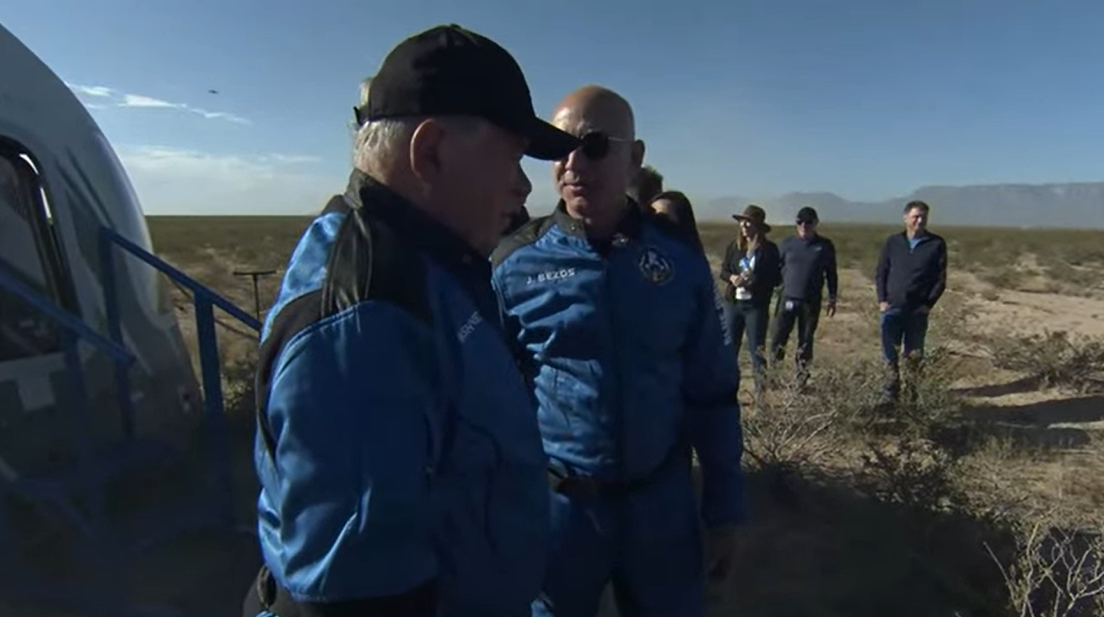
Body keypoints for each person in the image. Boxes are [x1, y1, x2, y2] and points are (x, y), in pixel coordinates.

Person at [244, 24, 580, 617]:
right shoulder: (366, 324)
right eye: (510, 158)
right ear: (430, 154)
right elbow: (359, 597)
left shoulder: (429, 266)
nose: (524, 186)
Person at [491, 85, 745, 617]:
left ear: (635, 156)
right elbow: (483, 402)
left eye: (594, 145)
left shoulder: (678, 261)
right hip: (561, 511)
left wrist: (724, 511)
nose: (572, 164)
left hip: (662, 507)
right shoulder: (515, 265)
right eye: (557, 149)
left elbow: (713, 392)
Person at [874, 199, 948, 403]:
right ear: (905, 218)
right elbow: (881, 272)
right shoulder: (892, 242)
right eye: (916, 216)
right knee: (890, 354)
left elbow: (940, 279)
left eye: (924, 216)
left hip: (917, 311)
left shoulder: (936, 244)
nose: (920, 220)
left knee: (914, 356)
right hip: (892, 308)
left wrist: (928, 304)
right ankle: (890, 395)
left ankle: (913, 396)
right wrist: (882, 300)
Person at [768, 206, 838, 384]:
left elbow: (831, 273)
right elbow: (776, 269)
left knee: (805, 340)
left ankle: (801, 378)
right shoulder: (787, 244)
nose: (804, 226)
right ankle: (774, 375)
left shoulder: (824, 246)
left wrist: (832, 298)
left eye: (808, 222)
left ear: (816, 223)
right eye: (800, 222)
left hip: (811, 301)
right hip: (787, 298)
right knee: (778, 337)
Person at [719, 204, 781, 394]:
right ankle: (725, 391)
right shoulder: (734, 247)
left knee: (757, 351)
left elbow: (776, 279)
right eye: (742, 222)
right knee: (729, 350)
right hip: (733, 305)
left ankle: (760, 397)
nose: (744, 225)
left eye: (748, 222)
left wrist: (756, 281)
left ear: (758, 226)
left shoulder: (769, 250)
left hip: (755, 307)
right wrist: (732, 278)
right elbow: (723, 271)